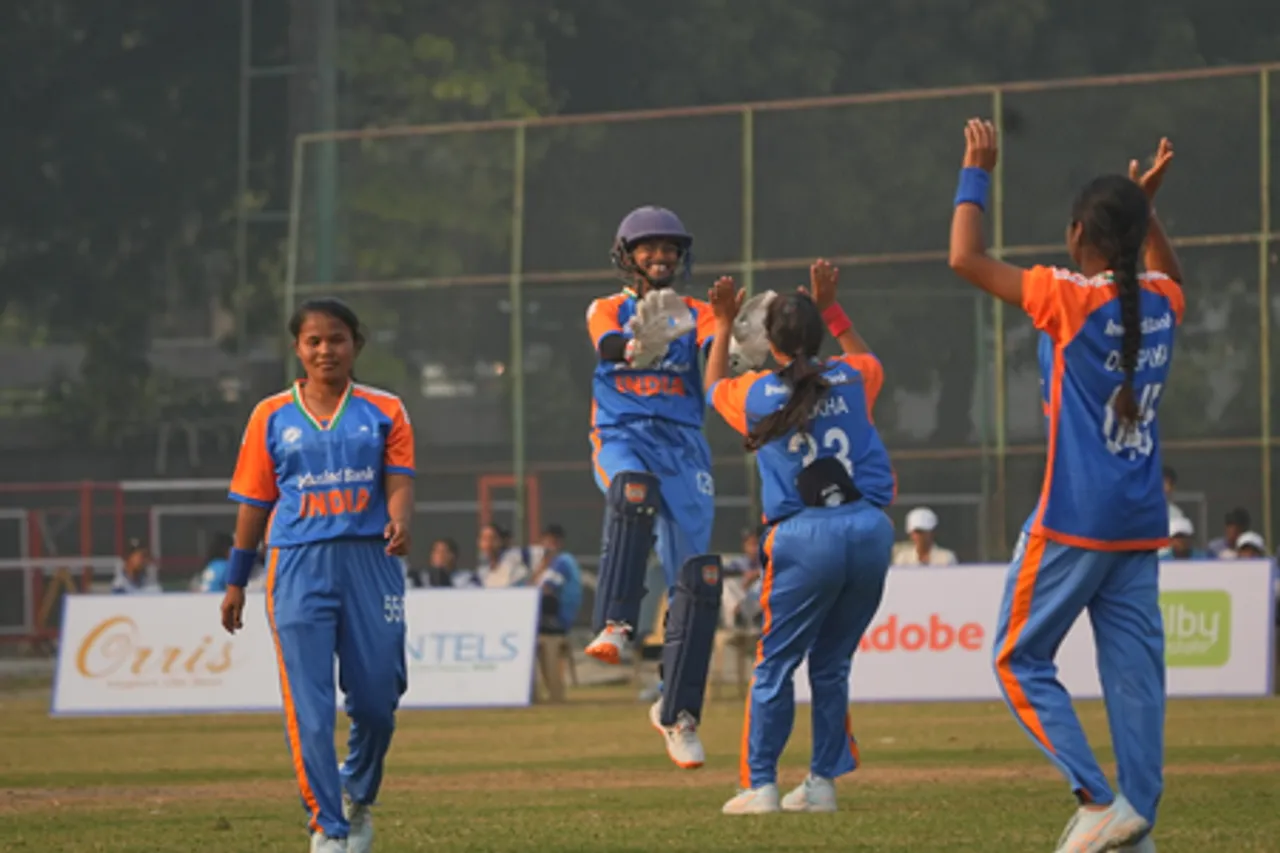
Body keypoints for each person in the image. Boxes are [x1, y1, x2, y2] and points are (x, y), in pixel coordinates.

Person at [949, 120, 1182, 853]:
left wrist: (975, 171)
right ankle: (1133, 823)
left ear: (1078, 231)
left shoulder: (1069, 298)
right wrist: (1146, 213)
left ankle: (1095, 796)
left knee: (1016, 658)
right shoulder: (1165, 305)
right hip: (1142, 521)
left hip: (1075, 518)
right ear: (1138, 235)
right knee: (1136, 679)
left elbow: (965, 256)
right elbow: (1164, 272)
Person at [218, 297, 415, 853]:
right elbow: (254, 502)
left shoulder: (386, 409)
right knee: (309, 705)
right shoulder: (270, 415)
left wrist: (399, 522)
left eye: (337, 339)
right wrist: (236, 580)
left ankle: (357, 794)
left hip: (370, 562)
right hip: (297, 564)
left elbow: (399, 478)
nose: (326, 349)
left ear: (356, 344)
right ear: (298, 349)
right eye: (314, 341)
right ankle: (327, 827)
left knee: (378, 698)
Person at [705, 260, 895, 815]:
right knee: (831, 664)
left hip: (803, 535)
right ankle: (821, 784)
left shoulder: (758, 394)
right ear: (817, 335)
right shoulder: (856, 377)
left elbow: (714, 385)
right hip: (867, 529)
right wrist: (831, 306)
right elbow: (867, 356)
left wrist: (720, 324)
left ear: (771, 343)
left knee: (775, 664)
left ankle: (760, 784)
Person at [583, 205, 734, 769]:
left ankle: (678, 711)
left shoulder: (699, 312)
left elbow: (723, 366)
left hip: (684, 445)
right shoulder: (606, 308)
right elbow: (609, 348)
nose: (661, 256)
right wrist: (638, 342)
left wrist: (727, 325)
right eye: (649, 247)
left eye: (670, 247)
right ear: (627, 255)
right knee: (632, 491)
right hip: (622, 433)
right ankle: (616, 622)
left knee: (699, 579)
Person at [531, 524, 583, 634]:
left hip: (558, 619)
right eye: (545, 541)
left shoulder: (563, 561)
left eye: (551, 541)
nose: (547, 546)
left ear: (559, 543)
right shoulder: (547, 564)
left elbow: (546, 589)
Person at [891, 507, 958, 567]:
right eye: (917, 532)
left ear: (932, 533)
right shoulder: (903, 558)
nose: (921, 536)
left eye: (925, 532)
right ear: (911, 534)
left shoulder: (947, 558)